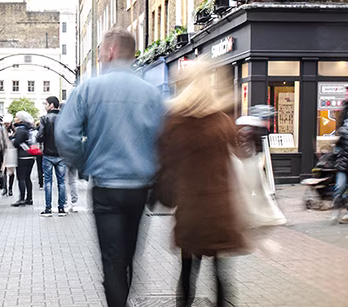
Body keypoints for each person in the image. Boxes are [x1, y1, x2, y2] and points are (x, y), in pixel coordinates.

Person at [55, 28, 165, 307]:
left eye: (102, 50)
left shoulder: (89, 89)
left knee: (112, 261)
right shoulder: (152, 94)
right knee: (129, 256)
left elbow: (65, 135)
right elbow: (165, 139)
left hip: (105, 186)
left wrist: (85, 162)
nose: (101, 56)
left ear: (111, 51)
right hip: (139, 187)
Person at [156, 58, 244, 307]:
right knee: (221, 273)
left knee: (187, 271)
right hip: (220, 209)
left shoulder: (175, 122)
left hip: (191, 209)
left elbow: (165, 165)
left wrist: (166, 196)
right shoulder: (221, 121)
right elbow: (239, 152)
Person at [37, 96, 67, 217]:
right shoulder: (65, 118)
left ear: (51, 105)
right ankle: (61, 208)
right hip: (61, 154)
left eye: (46, 104)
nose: (45, 106)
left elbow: (40, 136)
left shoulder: (44, 119)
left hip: (48, 154)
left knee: (48, 182)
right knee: (61, 182)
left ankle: (48, 209)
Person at [10, 111, 37, 207]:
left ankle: (22, 198)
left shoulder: (21, 129)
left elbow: (17, 142)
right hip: (30, 156)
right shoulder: (29, 128)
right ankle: (29, 198)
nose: (15, 118)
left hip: (22, 156)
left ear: (21, 119)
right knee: (27, 177)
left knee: (21, 177)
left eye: (16, 117)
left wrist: (12, 138)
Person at [333, 101, 348, 224]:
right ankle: (337, 209)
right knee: (339, 188)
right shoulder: (344, 131)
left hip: (343, 165)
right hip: (343, 165)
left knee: (340, 188)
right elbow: (338, 147)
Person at [2, 114, 17, 197]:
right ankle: (5, 188)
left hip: (12, 151)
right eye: (5, 123)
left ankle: (10, 188)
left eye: (8, 123)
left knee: (11, 171)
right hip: (4, 151)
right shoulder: (2, 130)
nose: (6, 125)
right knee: (3, 170)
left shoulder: (14, 130)